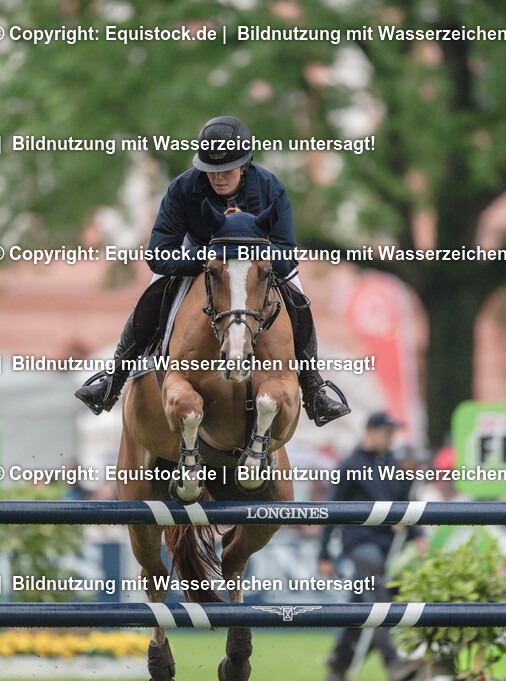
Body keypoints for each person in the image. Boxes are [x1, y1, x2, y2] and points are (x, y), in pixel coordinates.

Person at [74, 115, 350, 426]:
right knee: (153, 292)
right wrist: (207, 260)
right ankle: (113, 380)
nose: (217, 177)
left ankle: (313, 388)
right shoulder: (182, 188)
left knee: (297, 298)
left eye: (226, 169)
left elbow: (286, 256)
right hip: (200, 257)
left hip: (256, 265)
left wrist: (248, 258)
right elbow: (158, 255)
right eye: (210, 169)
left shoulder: (270, 188)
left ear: (244, 165)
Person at [318, 412, 422, 681]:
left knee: (361, 606)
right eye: (387, 434)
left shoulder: (393, 464)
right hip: (360, 543)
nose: (391, 439)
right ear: (371, 432)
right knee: (378, 598)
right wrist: (324, 554)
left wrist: (416, 534)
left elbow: (404, 504)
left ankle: (337, 666)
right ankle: (394, 664)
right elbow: (331, 511)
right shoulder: (349, 465)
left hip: (386, 546)